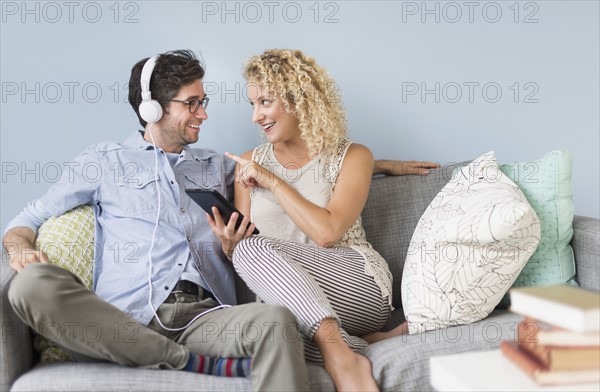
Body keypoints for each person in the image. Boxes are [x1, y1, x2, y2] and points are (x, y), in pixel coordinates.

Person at [2, 50, 310, 392]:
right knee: (30, 285)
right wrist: (20, 251)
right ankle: (185, 361)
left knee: (275, 321)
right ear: (153, 107)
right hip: (121, 321)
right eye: (192, 103)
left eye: (203, 101)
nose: (203, 114)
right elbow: (27, 219)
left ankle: (169, 356)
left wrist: (377, 164)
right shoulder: (104, 161)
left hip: (203, 319)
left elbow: (300, 171)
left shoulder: (214, 165)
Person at [207, 49, 436, 392]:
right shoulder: (248, 162)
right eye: (252, 104)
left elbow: (327, 234)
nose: (256, 116)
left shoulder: (353, 156)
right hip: (292, 296)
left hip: (356, 282)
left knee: (258, 264)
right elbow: (250, 250)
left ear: (298, 98)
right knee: (271, 331)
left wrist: (272, 181)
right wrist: (230, 246)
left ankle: (338, 354)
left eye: (265, 101)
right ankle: (362, 344)